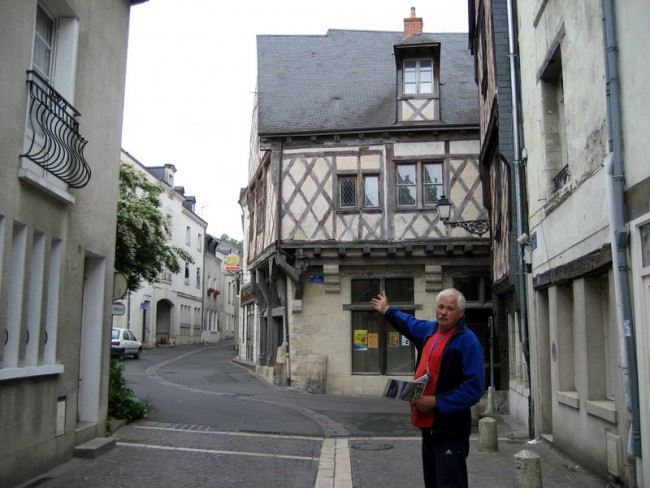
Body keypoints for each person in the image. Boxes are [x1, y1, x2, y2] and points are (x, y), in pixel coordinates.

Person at [370, 288, 484, 488]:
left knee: (450, 484)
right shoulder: (430, 331)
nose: (443, 312)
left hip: (450, 430)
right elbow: (409, 323)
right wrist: (387, 310)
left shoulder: (467, 341)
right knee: (432, 483)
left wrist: (436, 402)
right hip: (428, 427)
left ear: (461, 313)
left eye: (450, 309)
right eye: (441, 307)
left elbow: (473, 389)